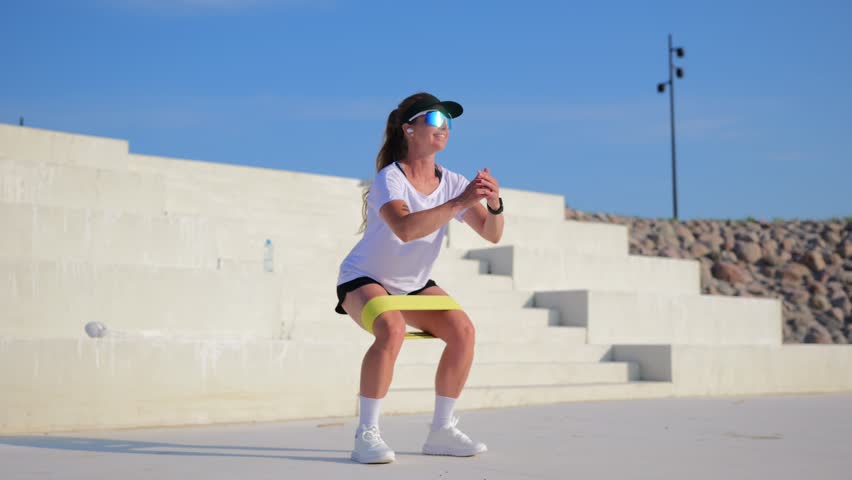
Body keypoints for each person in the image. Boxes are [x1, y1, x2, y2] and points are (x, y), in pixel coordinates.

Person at [335, 92, 504, 464]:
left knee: (463, 332)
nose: (443, 128)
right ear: (409, 129)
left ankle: (442, 430)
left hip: (413, 283)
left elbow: (492, 235)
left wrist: (494, 204)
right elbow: (406, 229)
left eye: (448, 122)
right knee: (392, 329)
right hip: (363, 277)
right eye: (434, 119)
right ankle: (366, 435)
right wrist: (461, 202)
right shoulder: (389, 178)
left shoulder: (452, 181)